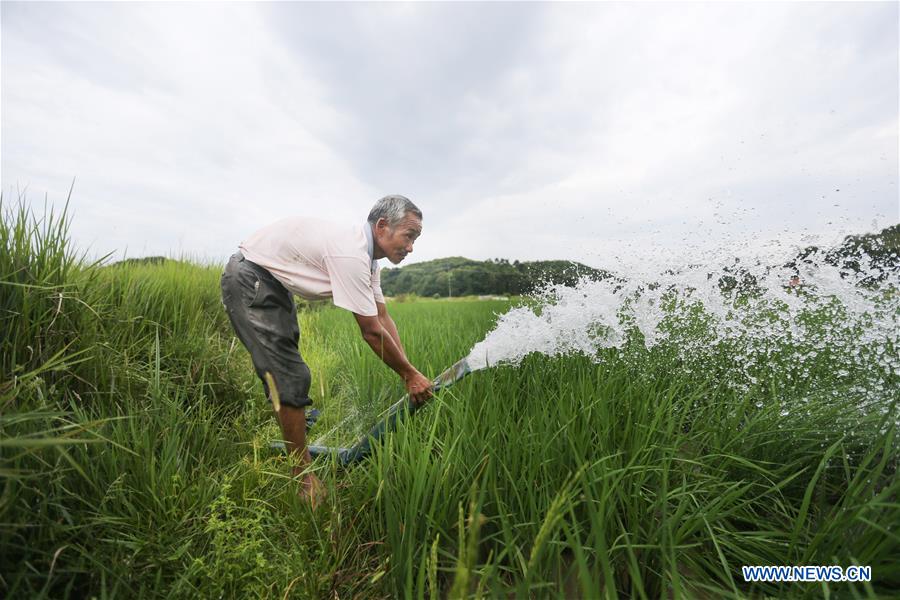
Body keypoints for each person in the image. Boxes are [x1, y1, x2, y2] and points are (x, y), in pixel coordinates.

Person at [219, 195, 433, 507]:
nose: (411, 247)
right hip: (251, 277)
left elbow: (383, 317)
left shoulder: (369, 261)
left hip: (271, 282)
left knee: (285, 362)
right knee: (288, 374)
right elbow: (371, 331)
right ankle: (303, 478)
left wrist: (411, 373)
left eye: (415, 239)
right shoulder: (351, 254)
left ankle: (294, 423)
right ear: (383, 226)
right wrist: (410, 376)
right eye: (409, 236)